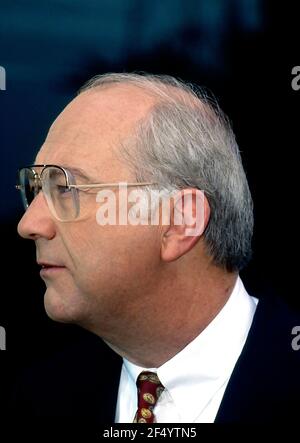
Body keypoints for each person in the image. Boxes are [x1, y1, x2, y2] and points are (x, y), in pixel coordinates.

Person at [11, 73, 300, 424]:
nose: (29, 224)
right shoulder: (38, 397)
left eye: (67, 188)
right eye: (37, 188)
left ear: (180, 222)